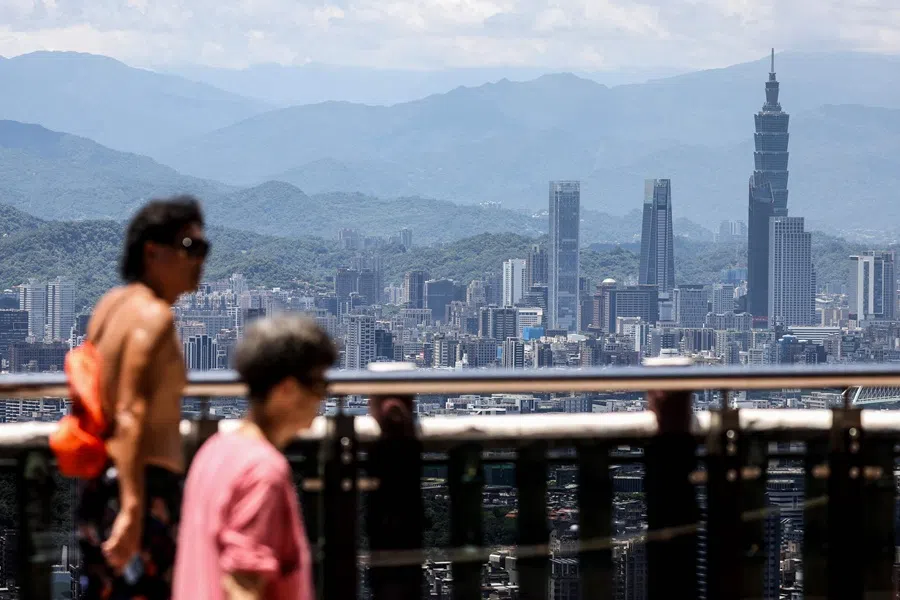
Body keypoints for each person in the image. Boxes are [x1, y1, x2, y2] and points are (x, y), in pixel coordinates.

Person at [77, 196, 209, 599]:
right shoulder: (155, 317)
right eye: (189, 247)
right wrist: (134, 511)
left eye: (204, 248)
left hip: (98, 485)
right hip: (144, 492)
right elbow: (130, 412)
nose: (200, 258)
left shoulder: (108, 307)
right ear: (152, 251)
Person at [172, 315, 336, 600]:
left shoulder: (213, 451)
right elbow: (243, 585)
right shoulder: (263, 471)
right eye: (319, 385)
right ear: (287, 389)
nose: (322, 397)